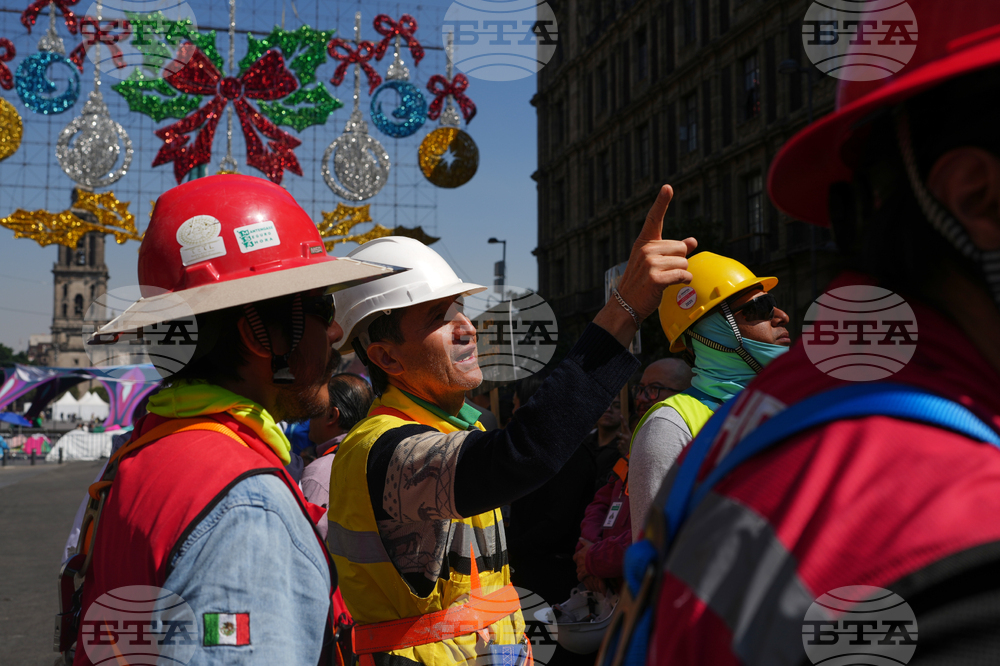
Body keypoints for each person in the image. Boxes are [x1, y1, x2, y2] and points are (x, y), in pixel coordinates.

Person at [603, 4, 1000, 664]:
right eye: (754, 308)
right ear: (978, 199)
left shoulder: (770, 416)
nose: (780, 317)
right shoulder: (952, 513)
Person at [326, 186, 696, 666]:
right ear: (386, 356)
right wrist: (623, 310)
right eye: (439, 317)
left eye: (461, 307)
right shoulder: (384, 449)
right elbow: (524, 453)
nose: (467, 326)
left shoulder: (452, 431)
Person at [65, 175, 392, 665]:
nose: (337, 332)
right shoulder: (246, 507)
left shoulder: (143, 454)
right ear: (261, 334)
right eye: (323, 308)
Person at [627, 252, 790, 541]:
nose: (781, 316)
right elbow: (655, 563)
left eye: (773, 303)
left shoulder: (795, 407)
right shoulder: (669, 426)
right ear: (712, 332)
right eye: (760, 307)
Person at [507, 393, 629, 608]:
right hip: (543, 562)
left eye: (519, 403)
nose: (514, 411)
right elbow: (599, 504)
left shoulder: (574, 456)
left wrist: (590, 556)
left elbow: (559, 521)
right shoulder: (538, 450)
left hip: (555, 570)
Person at [301, 373, 375, 538]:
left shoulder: (319, 473)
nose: (310, 415)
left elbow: (306, 540)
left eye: (316, 406)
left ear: (331, 416)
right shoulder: (366, 458)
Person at [573, 423, 633, 595]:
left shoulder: (674, 460)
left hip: (634, 591)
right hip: (606, 584)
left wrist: (593, 560)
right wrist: (587, 551)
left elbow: (645, 536)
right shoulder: (628, 459)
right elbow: (599, 503)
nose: (643, 398)